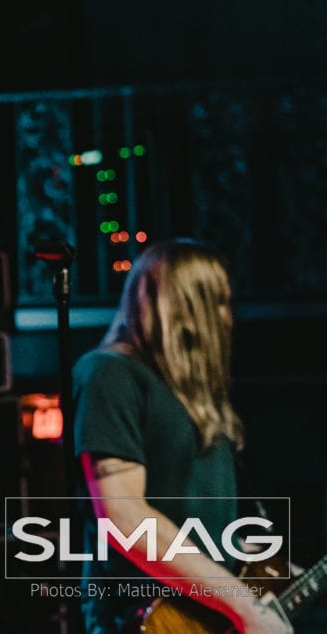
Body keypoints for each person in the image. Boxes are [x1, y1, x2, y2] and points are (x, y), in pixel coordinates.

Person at [72, 238, 292, 633]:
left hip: (207, 617)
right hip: (146, 620)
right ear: (188, 308)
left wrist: (275, 575)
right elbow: (124, 516)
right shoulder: (110, 374)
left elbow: (211, 533)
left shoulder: (191, 395)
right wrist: (245, 606)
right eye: (219, 303)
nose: (229, 319)